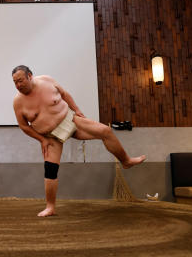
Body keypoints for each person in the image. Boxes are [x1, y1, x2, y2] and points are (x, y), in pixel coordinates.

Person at [11, 65, 146, 217]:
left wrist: (77, 110)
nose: (18, 85)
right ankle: (50, 207)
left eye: (21, 80)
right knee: (50, 170)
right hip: (50, 136)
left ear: (30, 76)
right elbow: (23, 126)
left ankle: (126, 161)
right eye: (15, 82)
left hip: (70, 120)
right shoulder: (18, 102)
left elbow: (65, 94)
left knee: (105, 131)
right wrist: (41, 139)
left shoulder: (46, 81)